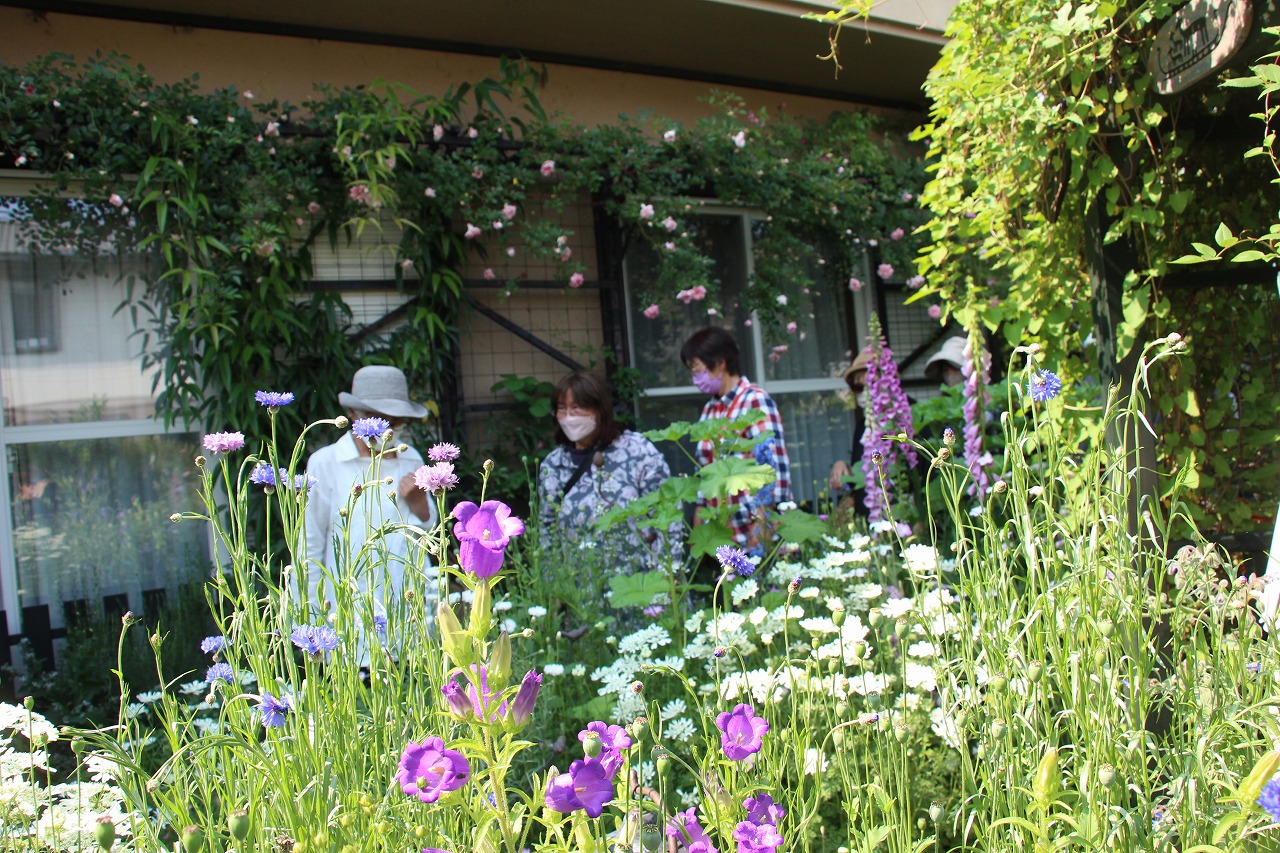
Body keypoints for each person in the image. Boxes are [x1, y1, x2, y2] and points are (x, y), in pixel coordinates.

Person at [300, 365, 438, 623]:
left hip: (408, 598)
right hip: (349, 604)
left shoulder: (410, 457)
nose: (389, 429)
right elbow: (311, 542)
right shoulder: (326, 462)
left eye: (397, 421)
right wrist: (308, 613)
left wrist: (419, 503)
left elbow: (429, 531)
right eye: (380, 419)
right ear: (354, 415)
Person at [538, 371, 679, 573]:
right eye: (562, 409)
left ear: (599, 410)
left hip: (642, 585)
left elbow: (668, 517)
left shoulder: (637, 452)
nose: (569, 417)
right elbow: (547, 530)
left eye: (576, 408)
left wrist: (668, 578)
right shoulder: (553, 465)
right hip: (583, 591)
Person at [681, 327, 792, 547]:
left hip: (752, 532)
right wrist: (699, 534)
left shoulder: (755, 401)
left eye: (698, 369)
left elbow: (772, 469)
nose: (695, 378)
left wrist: (761, 531)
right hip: (719, 536)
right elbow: (704, 476)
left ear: (720, 363)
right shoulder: (710, 410)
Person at [828, 349, 871, 513]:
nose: (860, 391)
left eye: (863, 384)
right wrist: (843, 467)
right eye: (856, 386)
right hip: (873, 522)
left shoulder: (908, 416)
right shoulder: (863, 426)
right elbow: (863, 473)